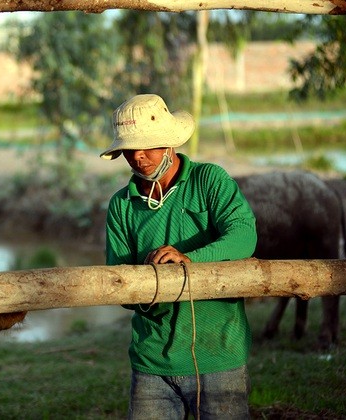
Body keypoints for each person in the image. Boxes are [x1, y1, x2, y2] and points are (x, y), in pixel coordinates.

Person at [101, 94, 257, 419]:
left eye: (146, 145)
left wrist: (190, 259)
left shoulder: (209, 180)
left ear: (170, 143)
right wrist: (146, 280)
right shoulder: (121, 205)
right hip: (151, 361)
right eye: (129, 148)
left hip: (219, 355)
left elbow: (244, 237)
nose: (137, 156)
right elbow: (119, 281)